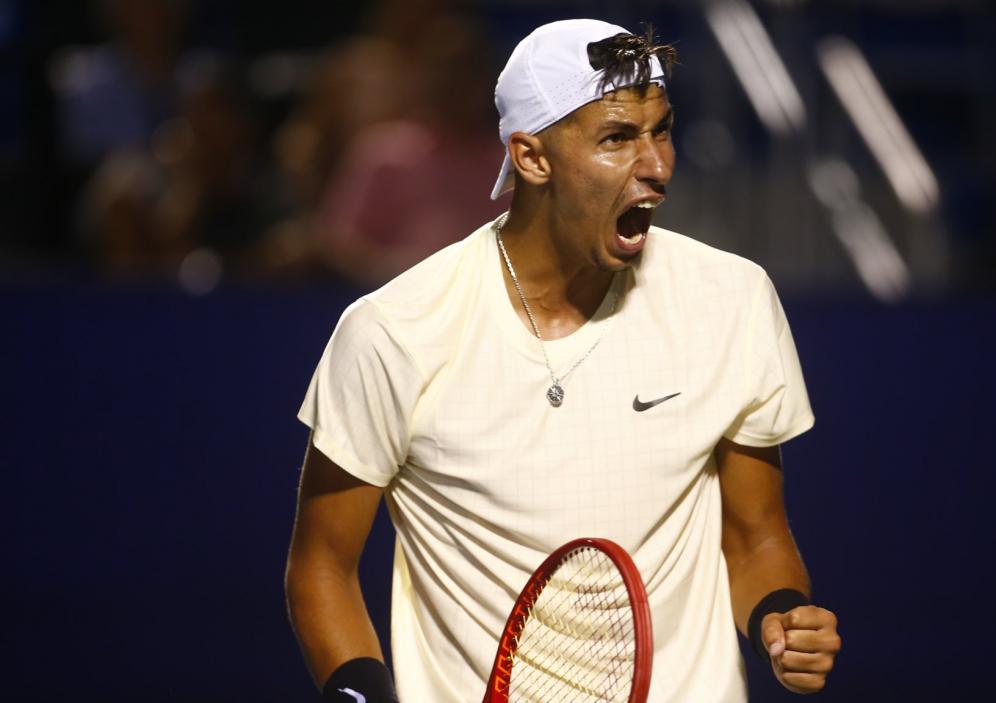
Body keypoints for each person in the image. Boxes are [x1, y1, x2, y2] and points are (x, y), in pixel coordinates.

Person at [286, 19, 841, 703]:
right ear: (532, 157)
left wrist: (778, 617)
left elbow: (756, 537)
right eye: (617, 138)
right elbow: (321, 565)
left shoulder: (733, 301)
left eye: (660, 130)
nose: (658, 165)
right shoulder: (392, 333)